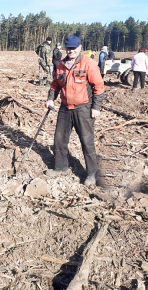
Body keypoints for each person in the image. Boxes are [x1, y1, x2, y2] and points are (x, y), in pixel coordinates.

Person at [45, 35, 105, 186]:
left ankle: (92, 173)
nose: (71, 51)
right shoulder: (60, 65)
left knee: (86, 140)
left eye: (74, 48)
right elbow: (55, 85)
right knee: (59, 138)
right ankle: (61, 167)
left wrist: (96, 107)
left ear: (80, 47)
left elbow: (98, 87)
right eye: (69, 48)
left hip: (83, 108)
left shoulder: (89, 64)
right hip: (65, 108)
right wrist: (51, 98)